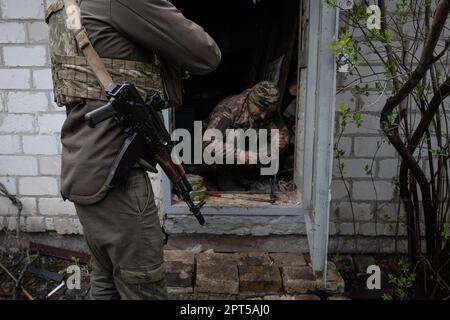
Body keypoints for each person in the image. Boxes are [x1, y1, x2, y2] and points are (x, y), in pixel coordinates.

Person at [45, 0, 221, 300]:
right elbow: (206, 54)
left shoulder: (64, 5)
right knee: (143, 286)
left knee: (106, 280)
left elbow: (105, 61)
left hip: (83, 164)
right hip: (117, 180)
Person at [202, 81, 289, 190]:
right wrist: (240, 154)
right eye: (261, 110)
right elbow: (208, 142)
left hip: (246, 155)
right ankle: (224, 175)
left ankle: (245, 174)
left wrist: (281, 142)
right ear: (251, 101)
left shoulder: (268, 111)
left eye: (267, 111)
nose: (263, 116)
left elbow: (283, 132)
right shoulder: (230, 108)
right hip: (213, 155)